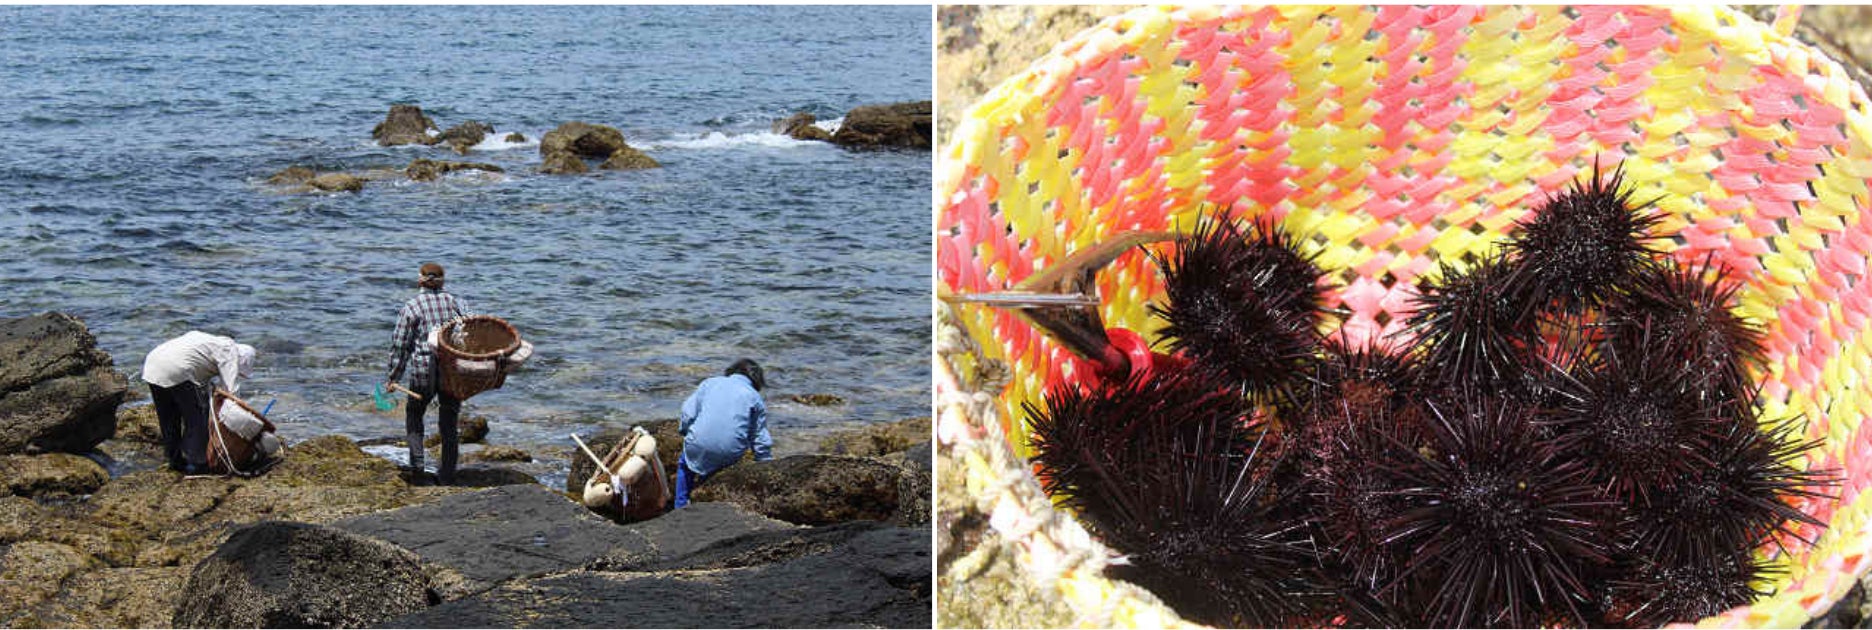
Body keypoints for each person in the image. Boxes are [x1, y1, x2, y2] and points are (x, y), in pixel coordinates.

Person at [384, 262, 468, 485]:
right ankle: (448, 474)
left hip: (422, 372)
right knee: (449, 421)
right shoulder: (455, 303)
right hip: (451, 371)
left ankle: (418, 470)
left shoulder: (412, 306)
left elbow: (400, 346)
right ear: (443, 281)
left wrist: (393, 377)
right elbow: (466, 335)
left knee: (414, 416)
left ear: (420, 280)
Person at [142, 332, 256, 474]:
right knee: (197, 419)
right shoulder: (230, 350)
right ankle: (199, 463)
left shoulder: (207, 341)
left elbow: (199, 371)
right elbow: (230, 391)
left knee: (169, 419)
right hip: (179, 369)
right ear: (241, 360)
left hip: (152, 365)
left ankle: (174, 460)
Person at [675, 358, 773, 508]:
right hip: (729, 452)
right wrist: (766, 464)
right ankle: (706, 499)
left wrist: (685, 431)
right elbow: (759, 437)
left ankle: (680, 504)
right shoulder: (754, 397)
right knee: (718, 469)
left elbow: (688, 413)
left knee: (685, 465)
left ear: (732, 371)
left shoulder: (710, 383)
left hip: (698, 444)